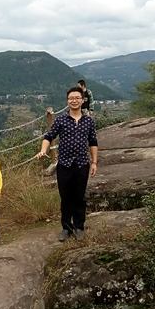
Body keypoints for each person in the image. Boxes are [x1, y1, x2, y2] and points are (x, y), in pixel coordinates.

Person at [36, 86, 98, 241]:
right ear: (67, 101)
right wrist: (44, 150)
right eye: (71, 98)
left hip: (82, 164)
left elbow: (93, 142)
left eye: (77, 98)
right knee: (65, 197)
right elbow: (48, 137)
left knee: (79, 197)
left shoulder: (88, 121)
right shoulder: (61, 120)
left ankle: (79, 227)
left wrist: (94, 162)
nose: (74, 101)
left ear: (83, 100)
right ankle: (66, 228)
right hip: (64, 164)